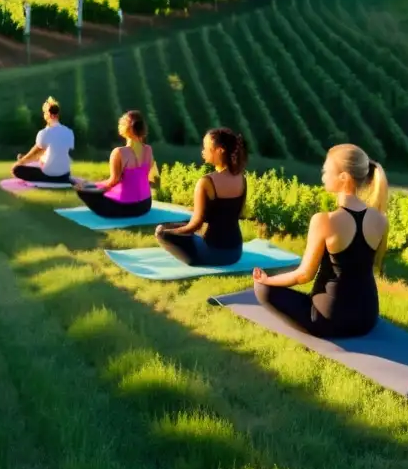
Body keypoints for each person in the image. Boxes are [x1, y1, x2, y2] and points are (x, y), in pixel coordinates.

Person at [252, 144, 389, 338]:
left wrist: (267, 280)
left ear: (343, 178)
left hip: (329, 320)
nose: (323, 175)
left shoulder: (325, 220)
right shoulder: (380, 219)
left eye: (326, 171)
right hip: (367, 318)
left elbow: (303, 276)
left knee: (263, 289)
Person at [153, 128, 248, 266]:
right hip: (235, 252)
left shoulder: (206, 182)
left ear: (220, 150)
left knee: (161, 231)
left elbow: (195, 225)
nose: (203, 150)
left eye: (206, 147)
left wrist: (169, 231)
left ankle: (166, 233)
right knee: (184, 222)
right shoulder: (241, 179)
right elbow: (234, 213)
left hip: (210, 253)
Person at [74, 111, 157, 218]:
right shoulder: (148, 150)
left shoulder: (119, 152)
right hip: (145, 205)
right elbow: (150, 178)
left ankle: (85, 186)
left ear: (128, 128)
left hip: (124, 208)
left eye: (122, 123)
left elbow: (113, 181)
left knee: (81, 189)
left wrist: (93, 186)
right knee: (89, 185)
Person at [11, 97, 75, 184]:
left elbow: (34, 154)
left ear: (48, 114)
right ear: (58, 115)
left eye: (44, 113)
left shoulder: (44, 132)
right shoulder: (69, 132)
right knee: (37, 160)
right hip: (65, 175)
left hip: (50, 176)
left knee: (17, 169)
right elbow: (58, 152)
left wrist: (20, 162)